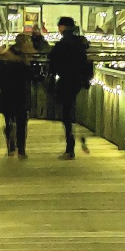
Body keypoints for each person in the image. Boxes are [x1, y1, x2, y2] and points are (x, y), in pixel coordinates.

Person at [48, 17, 93, 158]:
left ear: (62, 27)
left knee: (66, 113)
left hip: (66, 80)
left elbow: (54, 60)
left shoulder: (62, 44)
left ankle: (70, 147)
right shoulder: (79, 43)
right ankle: (74, 137)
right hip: (78, 81)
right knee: (72, 110)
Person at [0, 34, 36, 157]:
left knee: (8, 119)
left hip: (7, 92)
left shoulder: (5, 56)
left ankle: (11, 144)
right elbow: (30, 76)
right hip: (21, 92)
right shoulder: (24, 59)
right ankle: (21, 148)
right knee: (22, 121)